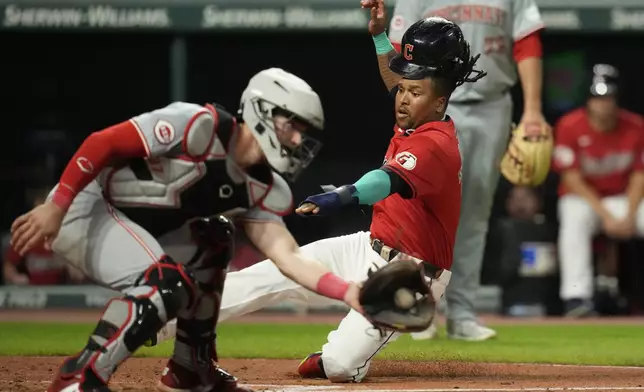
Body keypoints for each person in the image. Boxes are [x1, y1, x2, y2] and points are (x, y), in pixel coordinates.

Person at [151, 8, 486, 382]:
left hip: (409, 278)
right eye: (404, 89)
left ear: (439, 101)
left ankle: (335, 357)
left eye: (414, 92)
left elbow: (383, 181)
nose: (402, 99)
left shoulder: (436, 145)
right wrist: (378, 36)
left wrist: (342, 195)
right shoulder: (422, 110)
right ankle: (161, 320)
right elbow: (398, 78)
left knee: (341, 368)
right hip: (368, 245)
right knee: (269, 274)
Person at [9, 68, 365, 392]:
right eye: (294, 124)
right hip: (87, 206)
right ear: (262, 110)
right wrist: (56, 207)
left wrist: (348, 292)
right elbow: (104, 143)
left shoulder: (263, 188)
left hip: (142, 225)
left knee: (215, 237)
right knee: (165, 283)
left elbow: (288, 257)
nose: (297, 138)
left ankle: (190, 370)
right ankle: (79, 378)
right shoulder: (197, 124)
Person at [382, 0, 550, 341]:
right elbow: (401, 49)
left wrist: (532, 110)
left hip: (492, 105)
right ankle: (416, 307)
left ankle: (461, 314)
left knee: (474, 214)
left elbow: (527, 41)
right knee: (418, 209)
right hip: (434, 102)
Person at [552, 63, 644, 318]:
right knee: (574, 220)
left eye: (608, 98)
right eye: (598, 98)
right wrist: (606, 216)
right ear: (588, 100)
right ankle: (576, 297)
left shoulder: (636, 126)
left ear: (617, 99)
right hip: (584, 200)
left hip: (623, 199)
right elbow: (572, 179)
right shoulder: (570, 125)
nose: (603, 104)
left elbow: (640, 176)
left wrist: (628, 216)